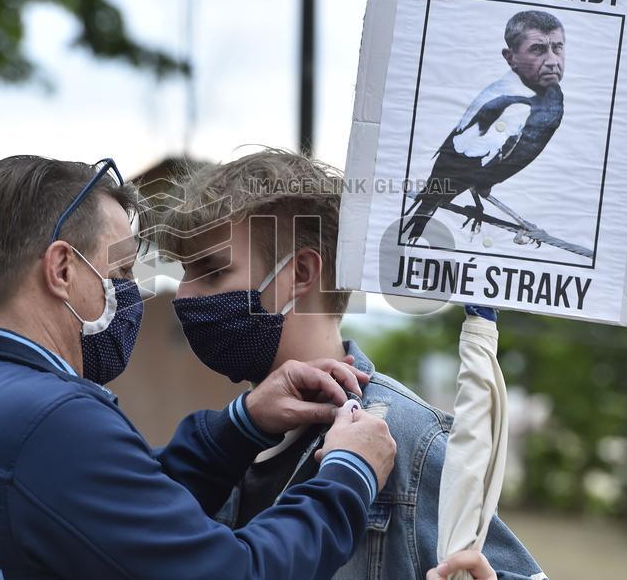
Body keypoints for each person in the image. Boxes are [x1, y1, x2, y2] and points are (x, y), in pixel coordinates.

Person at [0, 155, 399, 579]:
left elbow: (98, 512)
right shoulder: (51, 422)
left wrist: (239, 426)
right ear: (63, 268)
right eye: (120, 270)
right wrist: (348, 478)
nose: (136, 294)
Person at [158, 149, 548, 579]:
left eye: (211, 271)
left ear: (301, 273)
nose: (182, 295)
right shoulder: (224, 444)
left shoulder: (409, 439)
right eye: (184, 271)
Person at [401, 10, 566, 246]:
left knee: (475, 188)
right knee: (472, 190)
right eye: (538, 49)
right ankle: (522, 223)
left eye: (557, 48)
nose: (552, 60)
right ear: (512, 58)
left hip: (466, 168)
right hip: (460, 169)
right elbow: (469, 164)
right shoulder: (517, 107)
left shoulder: (525, 95)